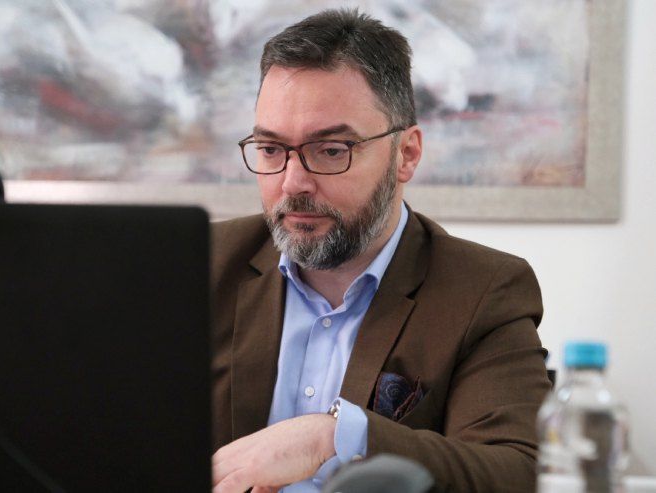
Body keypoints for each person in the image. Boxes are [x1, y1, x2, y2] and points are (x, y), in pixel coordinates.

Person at [210, 8, 551, 493]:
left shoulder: (483, 291)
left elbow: (520, 472)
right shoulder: (199, 264)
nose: (292, 182)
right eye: (271, 150)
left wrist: (335, 436)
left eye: (332, 150)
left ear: (406, 154)